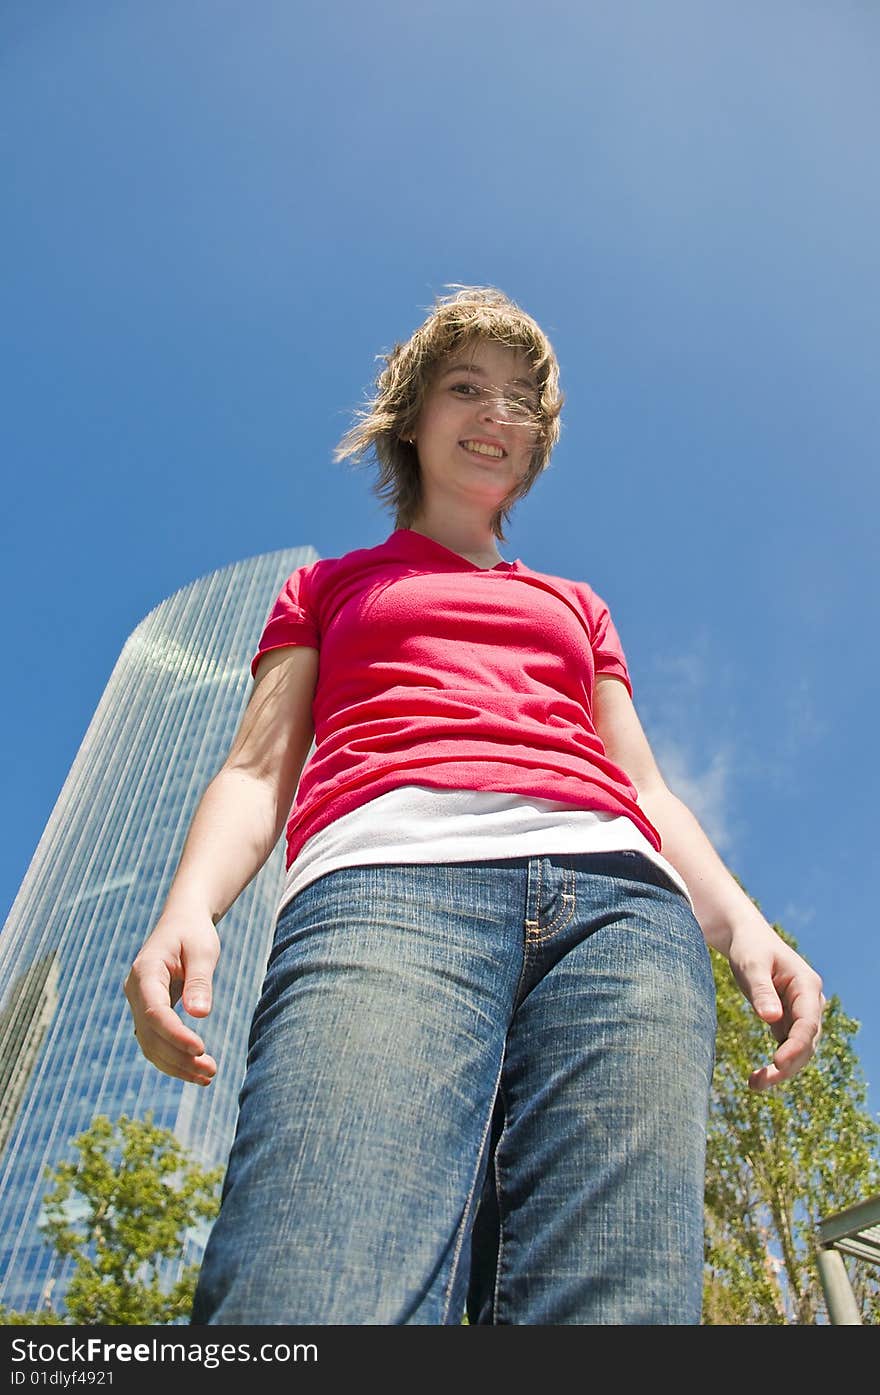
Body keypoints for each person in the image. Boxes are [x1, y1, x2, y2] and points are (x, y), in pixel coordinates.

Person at [124, 285, 825, 1326]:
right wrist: (190, 906)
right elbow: (255, 770)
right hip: (386, 891)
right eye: (467, 389)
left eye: (519, 403)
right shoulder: (327, 587)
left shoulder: (573, 603)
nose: (496, 415)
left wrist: (744, 927)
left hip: (619, 915)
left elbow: (641, 786)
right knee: (312, 1290)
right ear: (412, 418)